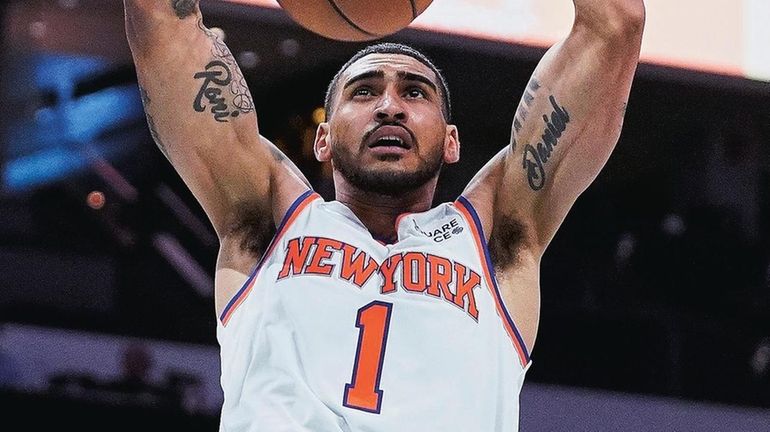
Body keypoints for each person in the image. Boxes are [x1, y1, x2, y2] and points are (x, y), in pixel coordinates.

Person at [123, 0, 645, 430]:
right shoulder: (265, 217)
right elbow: (159, 15)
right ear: (323, 139)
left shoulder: (496, 238)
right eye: (364, 91)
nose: (390, 106)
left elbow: (615, 23)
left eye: (414, 92)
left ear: (451, 141)